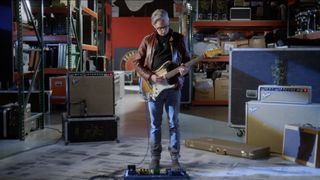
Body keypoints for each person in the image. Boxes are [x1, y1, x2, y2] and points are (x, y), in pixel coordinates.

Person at [133, 9, 190, 170]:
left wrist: (185, 70)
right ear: (153, 25)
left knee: (174, 123)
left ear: (168, 22)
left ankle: (174, 158)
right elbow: (137, 63)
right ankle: (155, 157)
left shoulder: (179, 39)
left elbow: (186, 61)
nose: (163, 30)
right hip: (154, 88)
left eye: (165, 26)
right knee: (155, 125)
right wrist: (150, 76)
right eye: (159, 28)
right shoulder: (147, 40)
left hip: (173, 88)